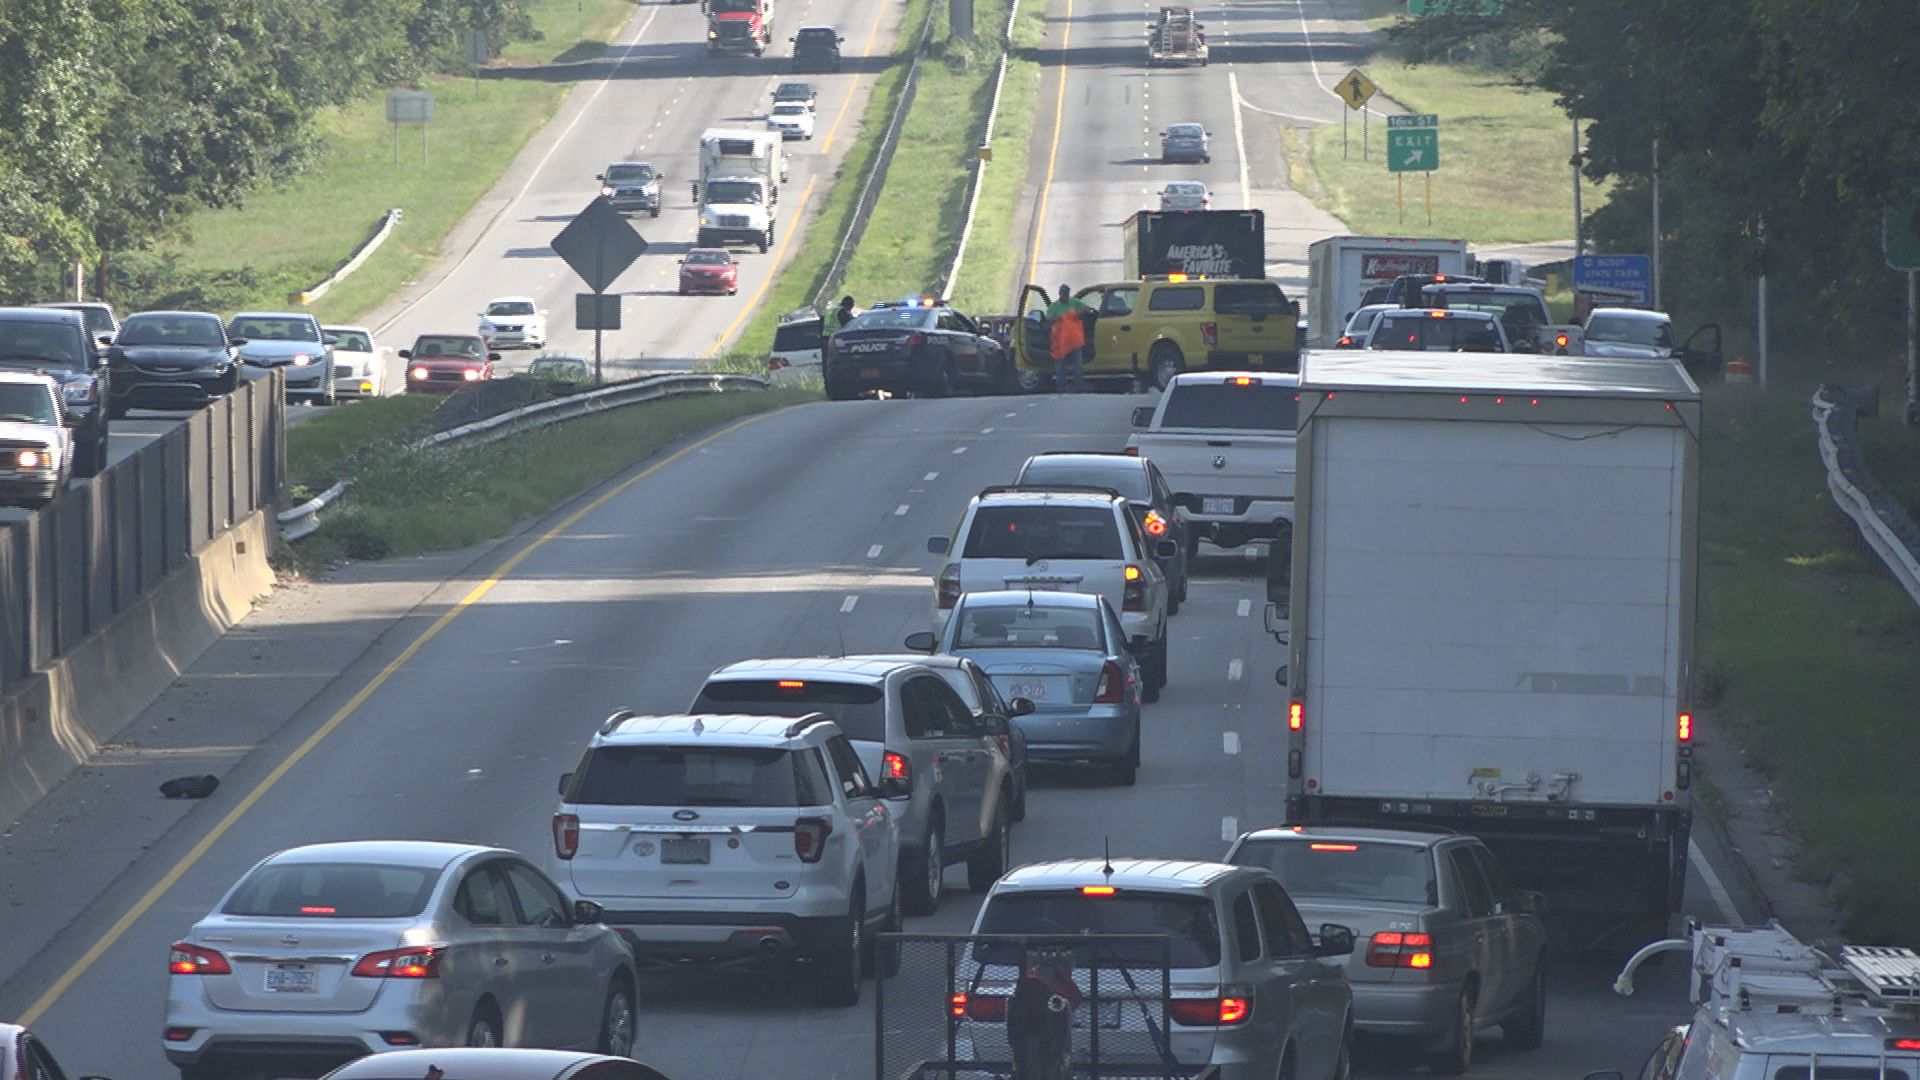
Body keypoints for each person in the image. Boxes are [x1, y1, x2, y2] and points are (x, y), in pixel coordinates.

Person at [1045, 285, 1093, 393]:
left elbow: (1087, 309)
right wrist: (1058, 318)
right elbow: (1048, 320)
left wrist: (1075, 314)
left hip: (1075, 341)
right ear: (1059, 294)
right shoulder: (1054, 306)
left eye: (1066, 294)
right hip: (1061, 342)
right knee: (1060, 366)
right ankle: (1061, 388)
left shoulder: (1074, 303)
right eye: (1062, 294)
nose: (1064, 296)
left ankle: (1078, 388)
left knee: (1078, 367)